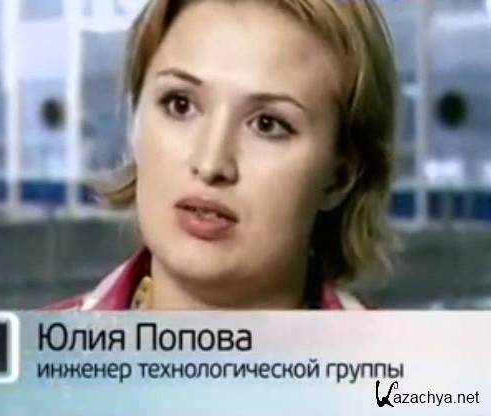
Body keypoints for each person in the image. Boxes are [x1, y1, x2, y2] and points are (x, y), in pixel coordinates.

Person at [50, 0, 398, 311]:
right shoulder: (32, 357)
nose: (211, 164)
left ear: (339, 177)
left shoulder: (403, 363)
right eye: (180, 104)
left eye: (267, 125)